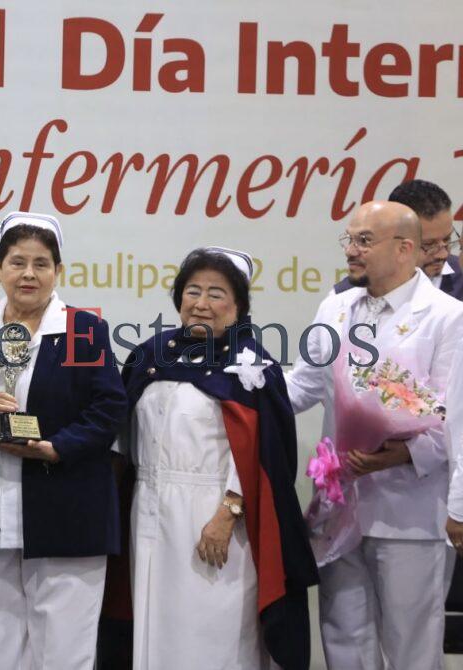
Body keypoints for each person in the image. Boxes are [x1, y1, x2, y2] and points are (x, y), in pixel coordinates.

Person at [0, 211, 126, 669]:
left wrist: (55, 446)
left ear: (58, 272)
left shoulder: (85, 332)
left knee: (64, 652)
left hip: (66, 510)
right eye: (17, 262)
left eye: (41, 264)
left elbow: (109, 410)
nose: (28, 274)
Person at [287, 201, 463, 670]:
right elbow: (304, 384)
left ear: (405, 249)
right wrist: (241, 383)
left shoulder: (448, 316)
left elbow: (455, 419)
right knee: (343, 635)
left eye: (365, 240)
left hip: (411, 509)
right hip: (340, 501)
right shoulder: (337, 305)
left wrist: (400, 454)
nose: (352, 251)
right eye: (350, 240)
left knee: (411, 644)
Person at [123, 247, 317, 670]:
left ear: (238, 306)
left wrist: (228, 512)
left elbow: (266, 454)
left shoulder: (251, 367)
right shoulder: (150, 356)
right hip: (151, 512)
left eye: (216, 293)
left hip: (214, 517)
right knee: (154, 626)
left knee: (211, 630)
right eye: (193, 291)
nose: (201, 303)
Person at [334, 179, 462, 299]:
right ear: (401, 246)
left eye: (447, 240)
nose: (443, 254)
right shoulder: (344, 299)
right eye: (429, 245)